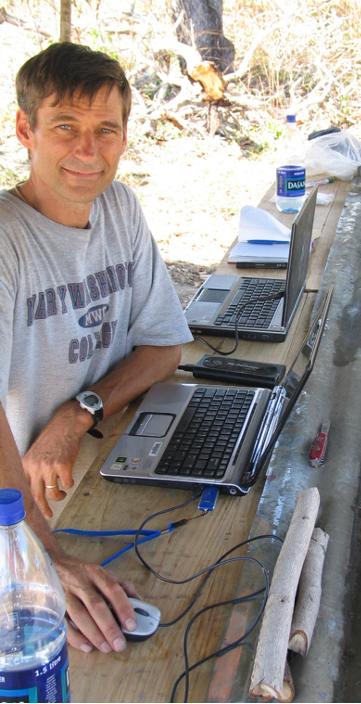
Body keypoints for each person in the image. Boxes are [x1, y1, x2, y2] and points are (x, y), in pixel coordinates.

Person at [0, 42, 193, 654]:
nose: (88, 151)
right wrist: (40, 557)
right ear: (26, 130)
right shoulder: (7, 243)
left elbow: (164, 348)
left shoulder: (119, 209)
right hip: (18, 506)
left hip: (83, 465)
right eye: (66, 128)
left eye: (105, 130)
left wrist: (76, 412)